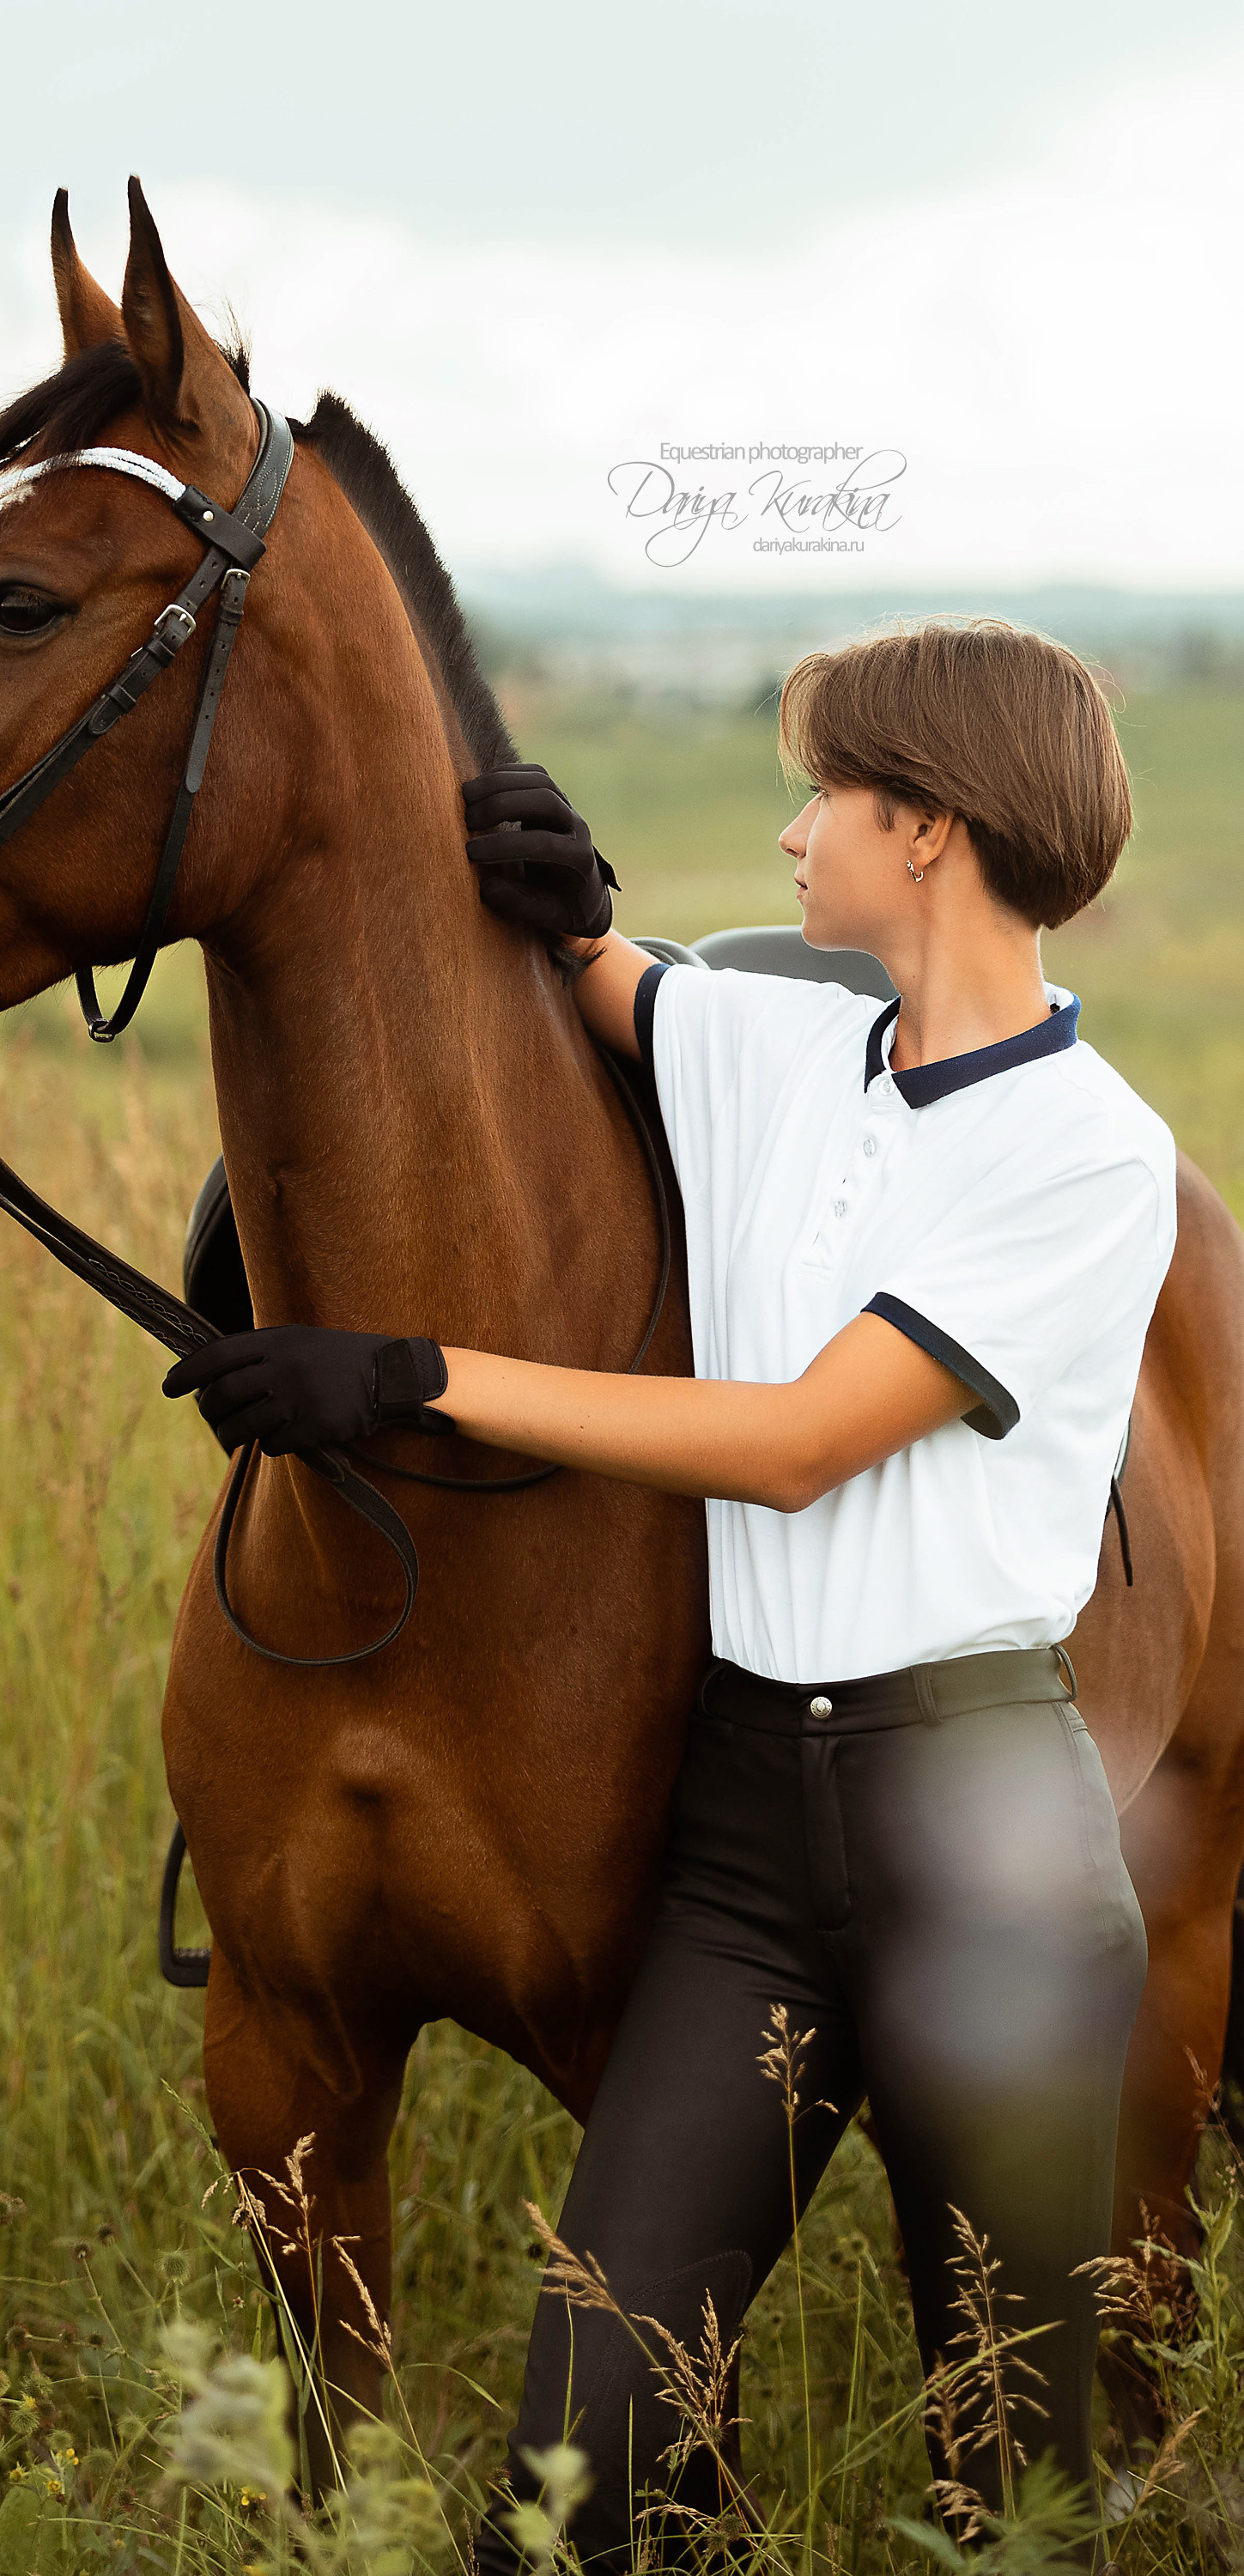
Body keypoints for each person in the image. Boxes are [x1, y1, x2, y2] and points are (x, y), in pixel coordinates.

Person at [162, 620, 1173, 2566]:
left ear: (931, 829)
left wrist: (411, 1376)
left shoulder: (1087, 1157)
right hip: (742, 1846)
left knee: (1011, 2500)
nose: (795, 840)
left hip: (985, 1836)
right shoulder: (786, 1042)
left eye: (825, 798)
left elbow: (803, 1439)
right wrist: (562, 903)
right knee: (571, 2491)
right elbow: (618, 988)